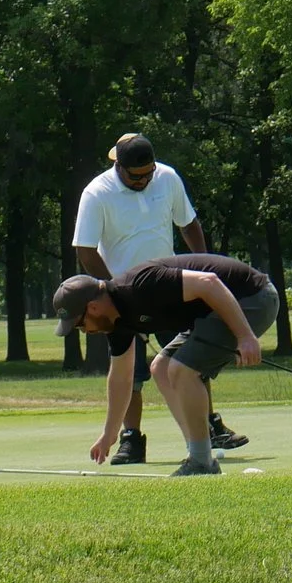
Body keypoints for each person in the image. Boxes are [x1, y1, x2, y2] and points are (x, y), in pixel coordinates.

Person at [69, 133, 246, 461]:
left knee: (190, 360)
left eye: (148, 174)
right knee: (129, 371)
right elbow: (85, 249)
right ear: (118, 166)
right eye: (137, 176)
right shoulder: (97, 193)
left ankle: (210, 426)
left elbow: (188, 223)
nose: (144, 180)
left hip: (169, 287)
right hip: (122, 298)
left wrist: (203, 262)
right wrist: (112, 290)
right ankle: (131, 439)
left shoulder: (167, 177)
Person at [53, 252, 274, 476]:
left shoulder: (139, 286)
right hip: (213, 313)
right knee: (161, 368)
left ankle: (201, 462)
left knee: (182, 369)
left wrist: (245, 336)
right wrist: (109, 434)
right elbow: (121, 378)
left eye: (81, 325)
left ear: (93, 308)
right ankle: (197, 453)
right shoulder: (116, 322)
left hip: (253, 298)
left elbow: (209, 282)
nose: (86, 332)